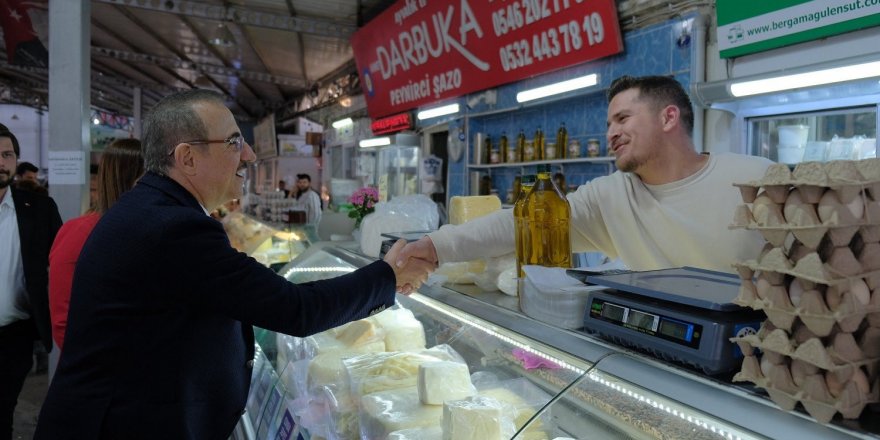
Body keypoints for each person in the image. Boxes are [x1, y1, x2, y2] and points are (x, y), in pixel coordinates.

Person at [34, 89, 431, 440]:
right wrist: (388, 276)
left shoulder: (151, 210)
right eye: (233, 142)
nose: (250, 155)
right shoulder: (175, 228)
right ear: (187, 158)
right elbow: (296, 308)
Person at [396, 75, 774, 293]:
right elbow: (519, 222)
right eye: (609, 123)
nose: (611, 133)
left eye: (623, 119)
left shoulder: (755, 178)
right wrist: (433, 247)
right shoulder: (610, 196)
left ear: (668, 117)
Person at [49, 139, 144, 351]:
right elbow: (63, 320)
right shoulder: (79, 232)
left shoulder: (151, 228)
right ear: (128, 179)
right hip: (105, 370)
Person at [0, 124, 62, 440]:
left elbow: (62, 266)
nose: (2, 162)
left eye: (7, 154)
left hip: (14, 336)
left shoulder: (38, 209)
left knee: (3, 412)